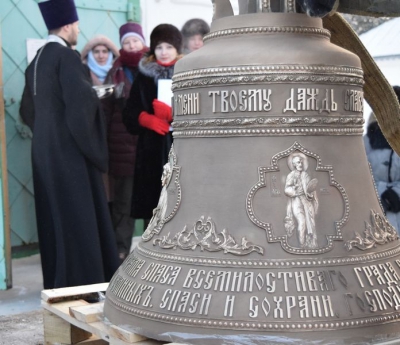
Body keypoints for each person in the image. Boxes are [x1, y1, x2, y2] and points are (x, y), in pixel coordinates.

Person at [19, 0, 119, 289]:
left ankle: (58, 282)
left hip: (43, 152)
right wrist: (97, 146)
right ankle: (84, 285)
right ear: (66, 25)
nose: (77, 30)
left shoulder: (36, 60)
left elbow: (28, 110)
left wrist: (46, 134)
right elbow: (80, 109)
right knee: (78, 219)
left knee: (55, 219)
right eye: (76, 25)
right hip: (69, 153)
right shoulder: (66, 57)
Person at [123, 24, 183, 226]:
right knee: (154, 207)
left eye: (168, 47)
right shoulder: (144, 77)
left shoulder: (188, 74)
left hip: (182, 150)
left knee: (180, 204)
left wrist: (175, 115)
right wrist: (144, 118)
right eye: (159, 47)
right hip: (151, 152)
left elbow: (203, 110)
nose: (164, 52)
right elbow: (129, 113)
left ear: (177, 49)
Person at [102, 23, 148, 261]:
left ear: (143, 41)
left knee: (154, 201)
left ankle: (155, 249)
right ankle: (120, 252)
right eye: (127, 42)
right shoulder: (115, 71)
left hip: (149, 144)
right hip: (122, 146)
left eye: (135, 41)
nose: (131, 46)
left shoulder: (153, 67)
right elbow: (107, 110)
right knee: (123, 205)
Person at [364, 86, 400, 233]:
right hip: (375, 217)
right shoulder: (366, 142)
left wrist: (397, 193)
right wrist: (380, 195)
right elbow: (356, 176)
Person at [284, 153, 319, 249]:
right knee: (302, 222)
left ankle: (311, 243)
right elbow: (286, 189)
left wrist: (310, 193)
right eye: (298, 162)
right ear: (294, 164)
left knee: (311, 223)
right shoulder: (291, 175)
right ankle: (302, 245)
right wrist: (295, 191)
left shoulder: (305, 175)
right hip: (297, 200)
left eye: (301, 162)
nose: (301, 164)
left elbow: (310, 189)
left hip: (307, 202)